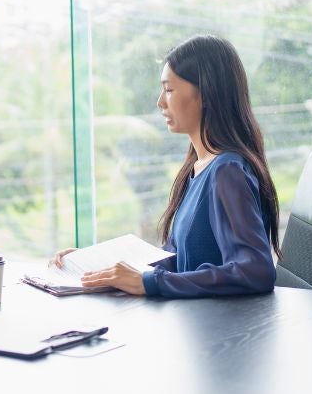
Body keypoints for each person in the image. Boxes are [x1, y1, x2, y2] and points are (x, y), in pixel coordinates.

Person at [53, 34, 280, 297]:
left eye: (169, 89)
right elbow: (181, 257)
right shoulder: (199, 167)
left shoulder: (226, 172)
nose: (160, 102)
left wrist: (153, 282)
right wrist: (96, 264)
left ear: (206, 94)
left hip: (219, 330)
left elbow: (255, 271)